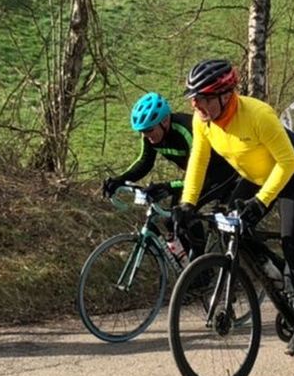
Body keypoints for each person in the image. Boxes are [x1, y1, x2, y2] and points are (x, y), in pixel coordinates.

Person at [174, 59, 294, 356]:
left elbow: (288, 162)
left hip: (292, 172)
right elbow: (198, 162)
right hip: (255, 175)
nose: (196, 106)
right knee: (232, 226)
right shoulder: (203, 121)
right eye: (194, 100)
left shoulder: (257, 115)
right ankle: (277, 271)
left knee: (291, 242)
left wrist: (262, 202)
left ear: (224, 96)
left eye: (202, 99)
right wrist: (187, 203)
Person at [102, 92, 238, 255]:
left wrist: (168, 186)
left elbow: (198, 174)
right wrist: (119, 180)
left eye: (149, 130)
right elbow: (145, 162)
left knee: (185, 214)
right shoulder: (151, 135)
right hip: (197, 177)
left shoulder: (186, 130)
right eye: (142, 131)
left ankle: (202, 267)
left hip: (221, 172)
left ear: (165, 121)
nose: (146, 135)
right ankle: (194, 266)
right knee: (172, 221)